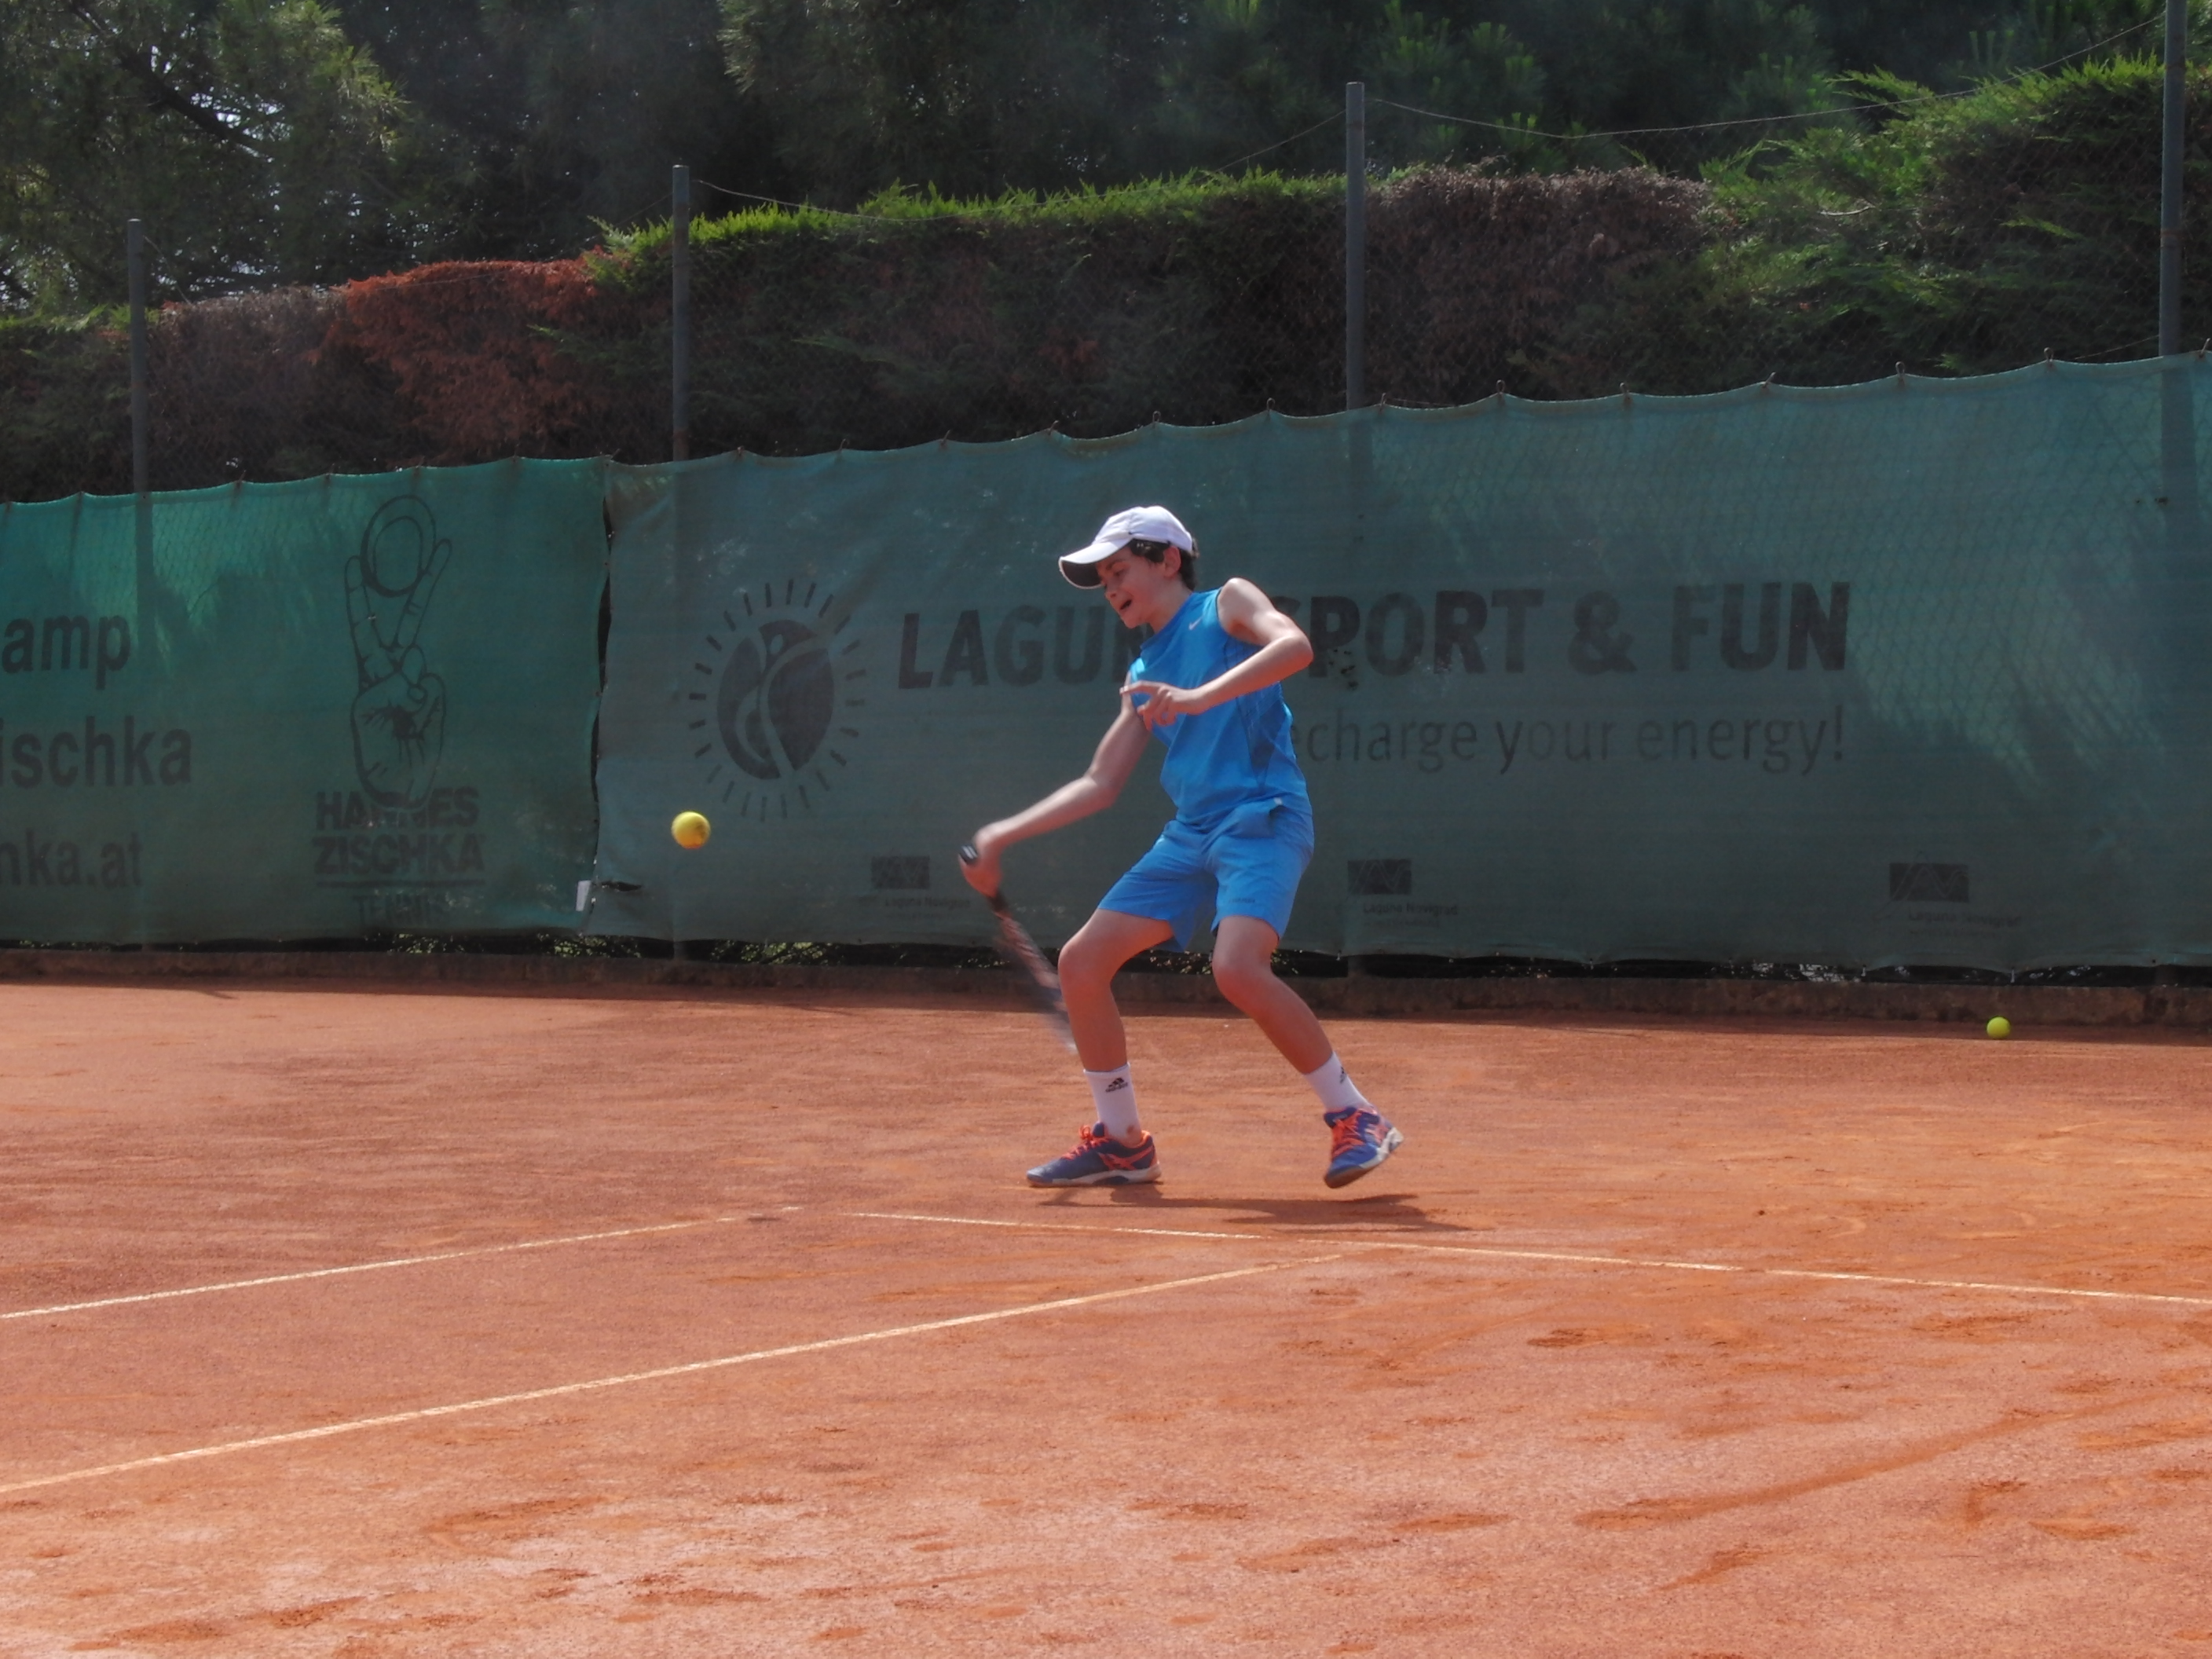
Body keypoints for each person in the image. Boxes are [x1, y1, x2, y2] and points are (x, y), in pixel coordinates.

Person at [959, 505, 1403, 1190]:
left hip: (1263, 815)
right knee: (1081, 963)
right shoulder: (1143, 670)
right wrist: (1000, 834)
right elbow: (1100, 782)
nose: (1111, 588)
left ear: (1168, 560)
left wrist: (1197, 696)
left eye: (1119, 570)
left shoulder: (1227, 603)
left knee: (1238, 969)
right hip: (1192, 833)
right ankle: (1122, 1142)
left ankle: (1356, 1115)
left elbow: (1293, 647)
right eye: (1103, 580)